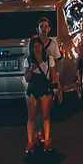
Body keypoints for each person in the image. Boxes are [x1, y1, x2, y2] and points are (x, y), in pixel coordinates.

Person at [24, 15, 57, 155]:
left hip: (45, 89)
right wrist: (31, 69)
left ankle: (47, 140)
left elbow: (54, 76)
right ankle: (31, 142)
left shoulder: (49, 59)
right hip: (32, 89)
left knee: (45, 116)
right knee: (31, 117)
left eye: (39, 46)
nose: (37, 49)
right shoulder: (28, 61)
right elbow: (27, 78)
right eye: (34, 47)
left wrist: (56, 89)